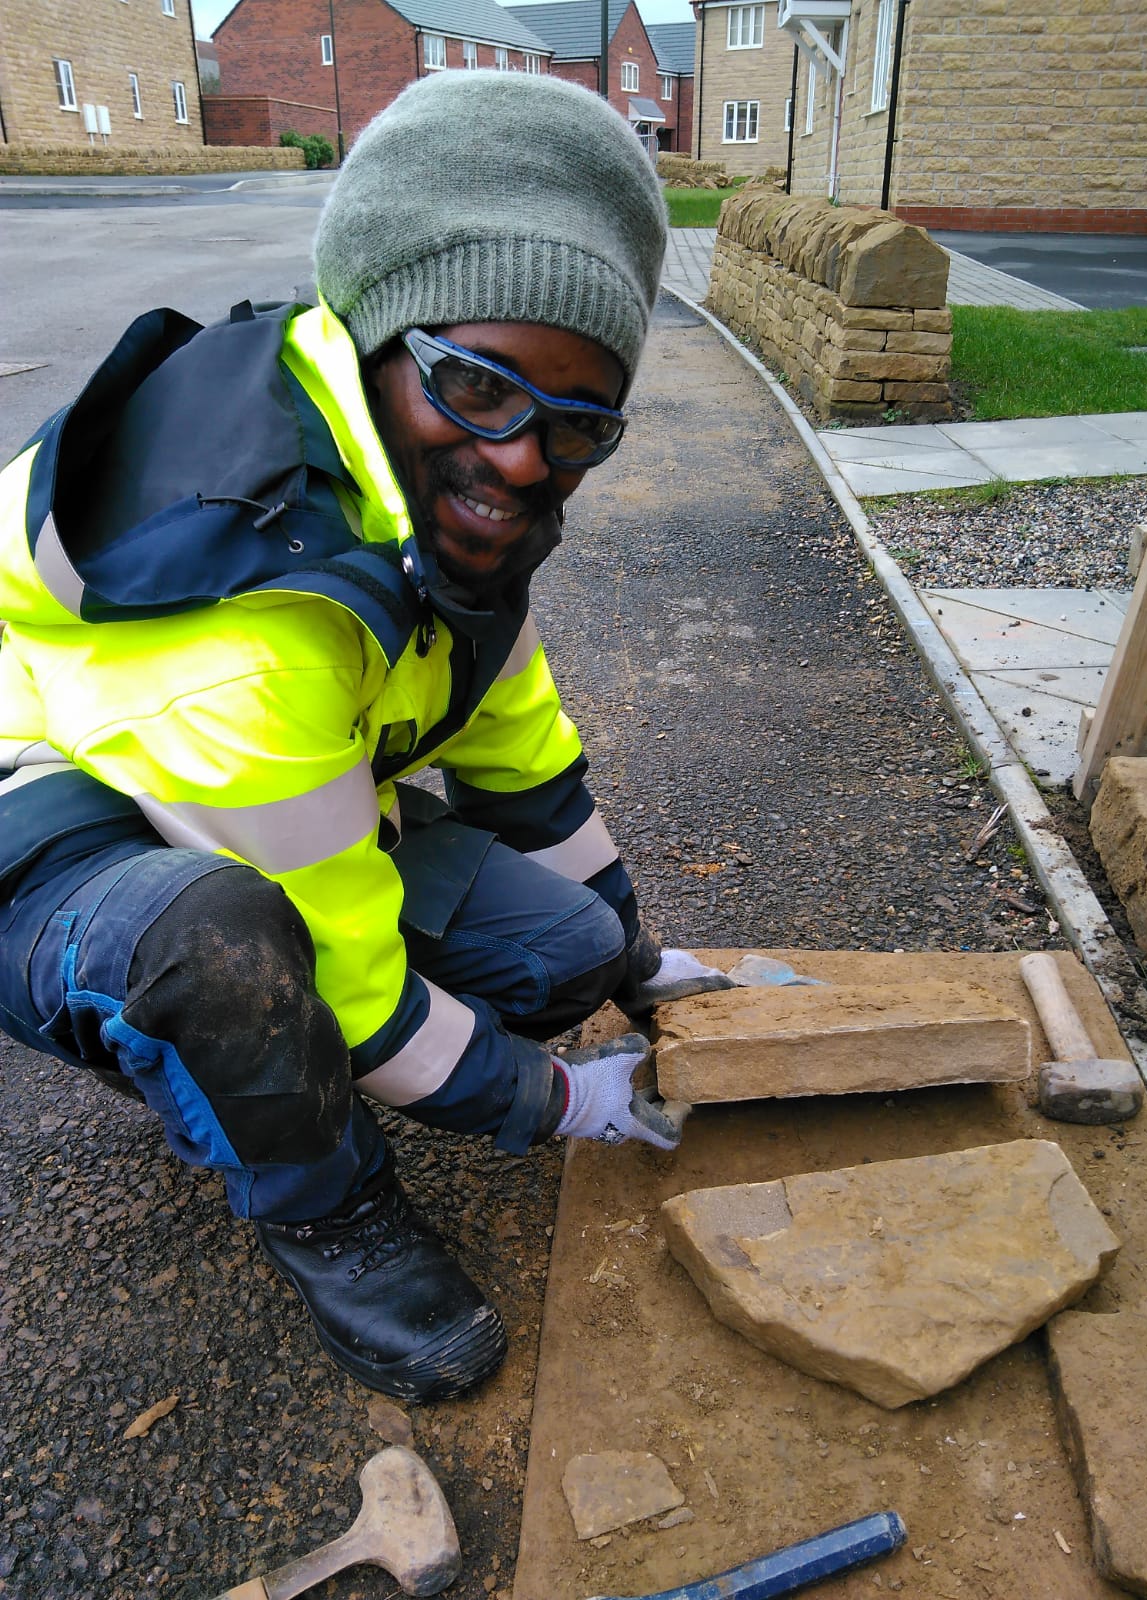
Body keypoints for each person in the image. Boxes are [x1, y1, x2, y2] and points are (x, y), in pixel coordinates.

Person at [0, 72, 732, 1403]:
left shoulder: (432, 507)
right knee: (228, 956)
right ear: (384, 334)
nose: (523, 460)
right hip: (51, 825)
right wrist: (556, 1102)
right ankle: (322, 1202)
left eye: (577, 423)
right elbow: (354, 987)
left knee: (565, 952)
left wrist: (637, 962)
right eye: (480, 388)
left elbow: (526, 763)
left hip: (262, 795)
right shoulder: (251, 625)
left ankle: (290, 1066)